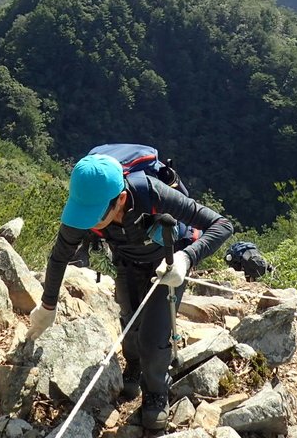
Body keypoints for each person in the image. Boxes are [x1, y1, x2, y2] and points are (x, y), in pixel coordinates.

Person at [26, 152, 234, 430]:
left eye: (96, 215)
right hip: (127, 262)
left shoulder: (150, 193)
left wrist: (186, 259)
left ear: (121, 199)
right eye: (83, 214)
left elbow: (222, 224)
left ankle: (156, 392)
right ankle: (134, 365)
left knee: (152, 337)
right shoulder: (85, 206)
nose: (86, 222)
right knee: (129, 321)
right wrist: (47, 306)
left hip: (169, 266)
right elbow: (59, 256)